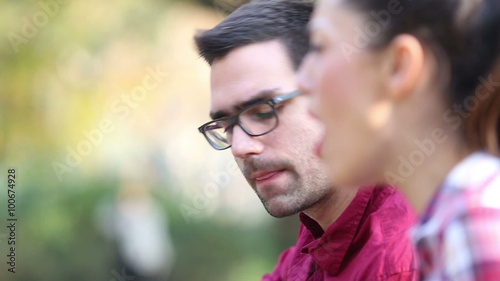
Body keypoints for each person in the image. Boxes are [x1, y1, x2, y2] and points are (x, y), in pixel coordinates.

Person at [194, 0, 418, 280]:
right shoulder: (317, 237)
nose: (240, 147)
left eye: (263, 111)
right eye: (226, 125)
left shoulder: (400, 263)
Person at [298, 0, 500, 280]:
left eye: (319, 46)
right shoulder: (453, 228)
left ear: (398, 66)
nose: (301, 81)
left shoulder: (477, 227)